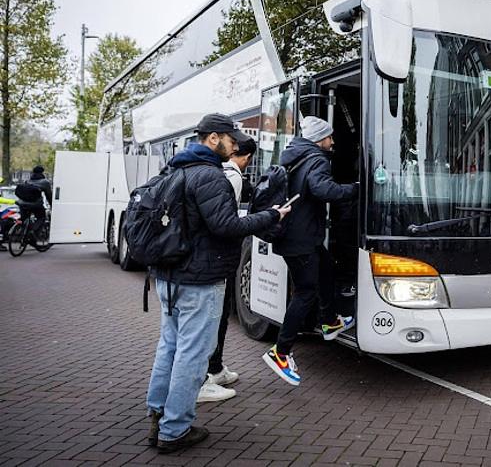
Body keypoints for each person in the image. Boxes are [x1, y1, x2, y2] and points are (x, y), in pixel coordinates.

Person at [146, 114, 291, 453]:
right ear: (213, 139)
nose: (236, 145)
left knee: (168, 347)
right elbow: (225, 226)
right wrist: (272, 215)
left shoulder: (173, 170)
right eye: (231, 139)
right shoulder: (211, 176)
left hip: (168, 275)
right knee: (192, 355)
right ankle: (174, 429)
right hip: (199, 278)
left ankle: (157, 414)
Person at [262, 116, 358, 386]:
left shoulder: (295, 155)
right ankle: (280, 352)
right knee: (305, 292)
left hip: (296, 236)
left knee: (327, 267)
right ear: (320, 139)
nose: (332, 141)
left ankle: (329, 321)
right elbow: (323, 190)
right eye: (329, 137)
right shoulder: (317, 158)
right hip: (301, 239)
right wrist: (356, 190)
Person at [196, 136, 258, 404]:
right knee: (214, 318)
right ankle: (207, 374)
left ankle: (216, 368)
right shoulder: (232, 178)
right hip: (217, 259)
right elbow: (226, 222)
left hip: (209, 259)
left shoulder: (216, 172)